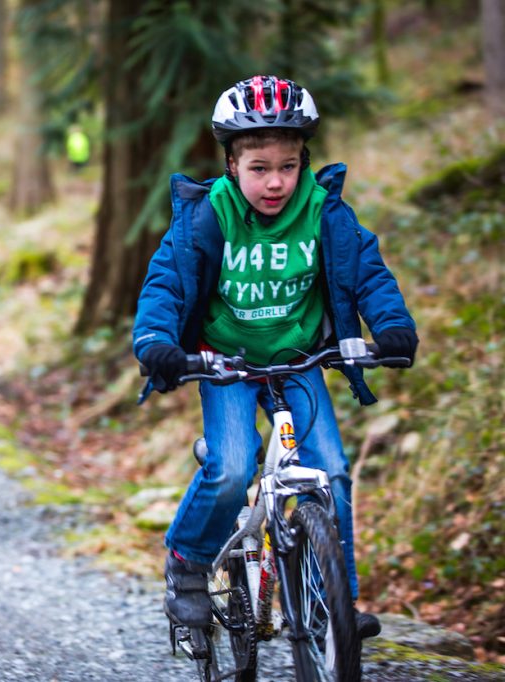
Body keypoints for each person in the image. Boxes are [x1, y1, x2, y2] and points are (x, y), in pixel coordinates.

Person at [133, 75, 418, 640]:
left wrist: (391, 327)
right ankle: (189, 563)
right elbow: (164, 285)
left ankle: (331, 602)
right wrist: (157, 343)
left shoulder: (324, 213)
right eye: (258, 167)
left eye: (288, 166)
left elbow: (368, 273)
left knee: (331, 472)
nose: (276, 181)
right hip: (226, 365)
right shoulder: (207, 217)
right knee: (233, 465)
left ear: (303, 161)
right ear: (232, 165)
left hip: (300, 360)